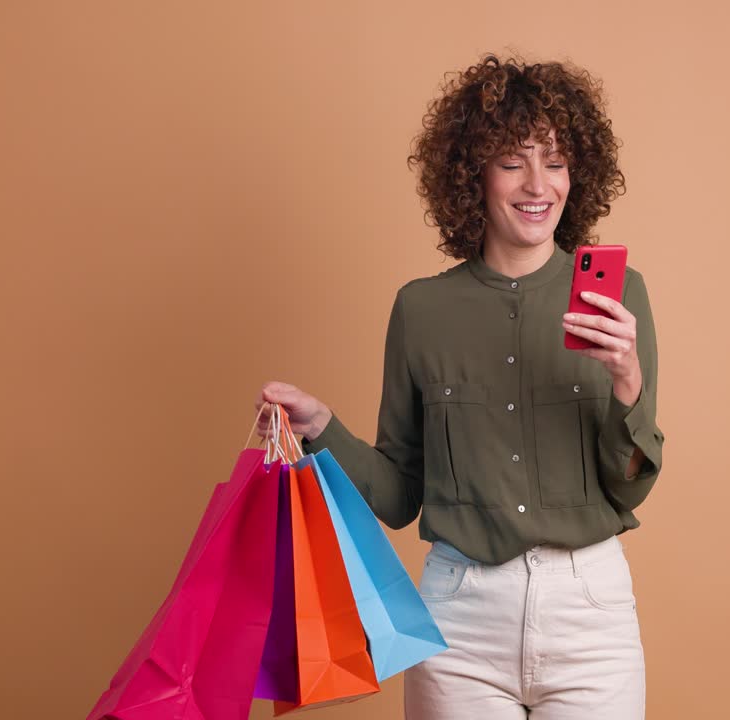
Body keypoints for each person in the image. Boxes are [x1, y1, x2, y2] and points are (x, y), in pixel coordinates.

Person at [255, 53, 664, 719]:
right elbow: (398, 496)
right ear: (472, 173)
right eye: (513, 160)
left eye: (556, 161)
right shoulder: (421, 310)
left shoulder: (621, 298)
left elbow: (631, 484)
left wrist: (627, 384)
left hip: (591, 615)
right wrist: (321, 426)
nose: (539, 184)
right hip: (461, 618)